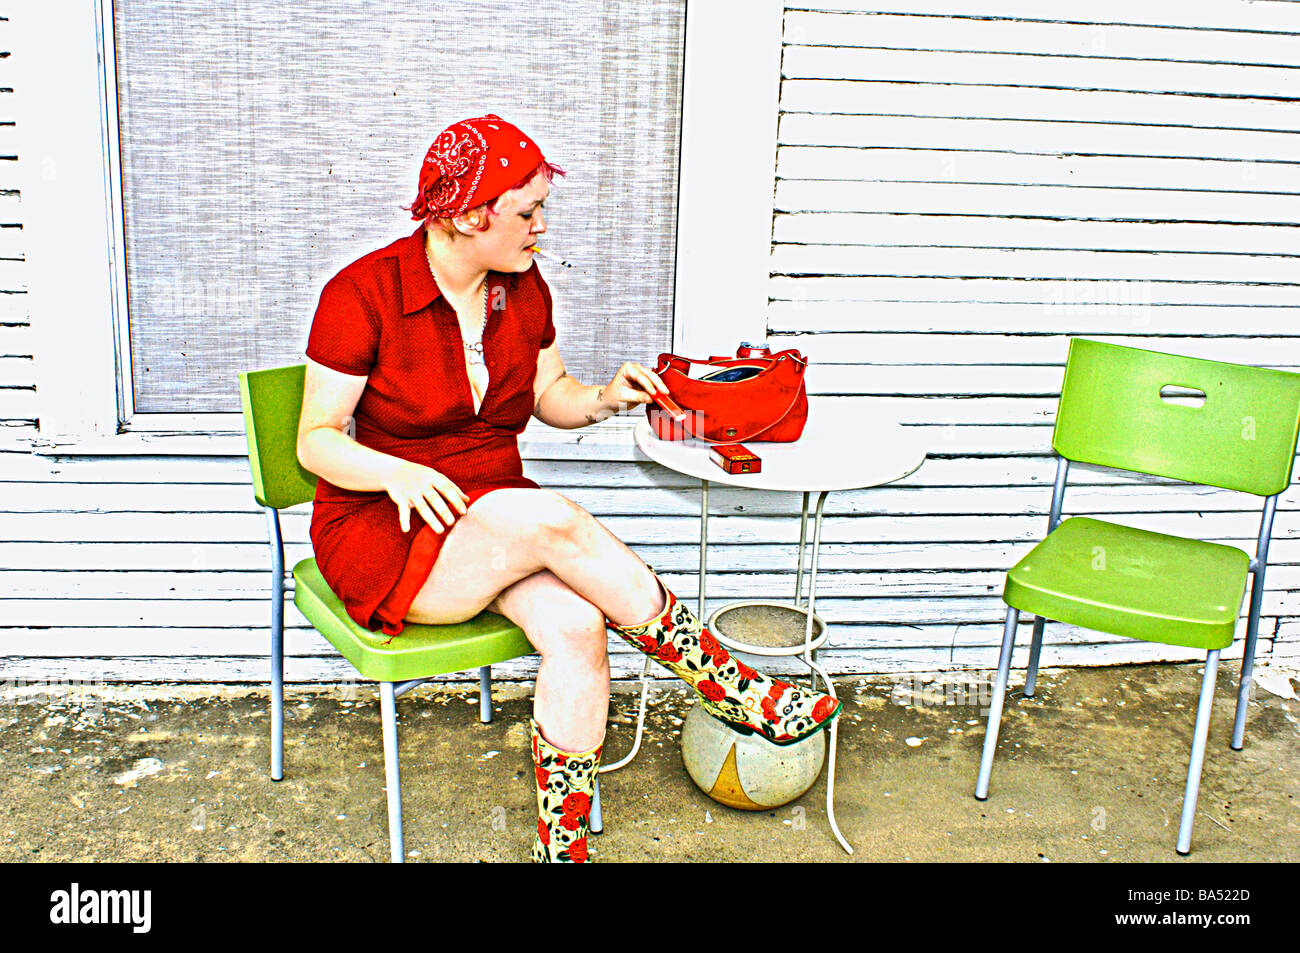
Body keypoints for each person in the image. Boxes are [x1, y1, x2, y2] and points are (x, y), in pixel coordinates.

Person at [297, 114, 841, 863]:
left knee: (580, 627)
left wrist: (605, 398)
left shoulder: (523, 289)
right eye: (526, 212)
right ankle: (730, 687)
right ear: (465, 214)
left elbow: (550, 396)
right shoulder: (361, 294)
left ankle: (563, 845)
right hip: (386, 529)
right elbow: (315, 440)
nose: (540, 228)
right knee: (553, 518)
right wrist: (395, 470)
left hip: (494, 515)